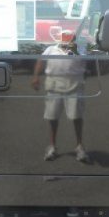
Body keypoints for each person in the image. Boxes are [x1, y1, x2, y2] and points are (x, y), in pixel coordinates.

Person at [31, 29, 89, 162]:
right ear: (60, 38)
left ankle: (79, 147)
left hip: (75, 85)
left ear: (74, 38)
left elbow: (88, 59)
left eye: (70, 37)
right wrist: (35, 77)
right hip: (54, 85)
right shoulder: (50, 49)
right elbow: (40, 61)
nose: (67, 39)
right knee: (52, 117)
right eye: (65, 36)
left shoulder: (79, 50)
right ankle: (52, 146)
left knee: (77, 117)